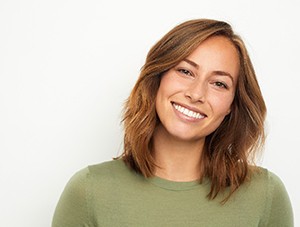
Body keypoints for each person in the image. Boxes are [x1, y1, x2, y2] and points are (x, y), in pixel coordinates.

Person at [52, 19, 293, 227]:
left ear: (232, 104)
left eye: (219, 83)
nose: (196, 94)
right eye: (185, 71)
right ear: (157, 78)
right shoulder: (89, 191)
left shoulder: (265, 195)